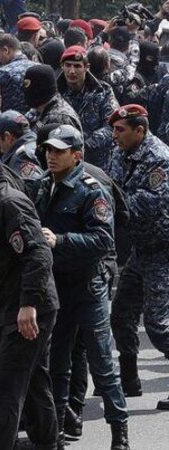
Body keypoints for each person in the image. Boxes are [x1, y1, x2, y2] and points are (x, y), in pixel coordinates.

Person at [33, 125, 130, 449]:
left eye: (59, 151)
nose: (51, 156)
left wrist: (60, 240)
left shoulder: (91, 190)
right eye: (49, 150)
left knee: (102, 364)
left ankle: (119, 434)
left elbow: (103, 240)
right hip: (57, 286)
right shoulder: (43, 185)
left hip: (88, 287)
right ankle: (57, 430)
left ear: (76, 155)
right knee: (57, 363)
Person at [0, 150, 59, 450]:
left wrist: (28, 304)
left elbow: (38, 253)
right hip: (18, 306)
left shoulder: (8, 203)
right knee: (35, 384)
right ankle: (49, 444)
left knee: (3, 392)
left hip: (27, 309)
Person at [107, 105, 169, 411]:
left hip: (162, 249)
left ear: (139, 131)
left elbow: (150, 204)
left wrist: (110, 205)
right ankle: (130, 380)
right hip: (140, 249)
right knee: (121, 314)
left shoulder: (159, 159)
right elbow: (109, 185)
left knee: (159, 325)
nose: (114, 136)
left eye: (120, 130)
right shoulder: (120, 152)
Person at [57, 46, 119, 141]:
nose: (72, 71)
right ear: (62, 66)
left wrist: (87, 145)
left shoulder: (103, 91)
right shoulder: (55, 91)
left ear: (86, 67)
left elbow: (112, 125)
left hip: (93, 147)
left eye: (77, 66)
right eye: (68, 65)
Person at [0, 33, 38, 113]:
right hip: (36, 117)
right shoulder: (39, 67)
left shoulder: (1, 73)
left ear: (5, 50)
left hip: (10, 118)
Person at [23, 64, 83, 134]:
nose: (25, 89)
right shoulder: (38, 110)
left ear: (40, 87)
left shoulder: (59, 117)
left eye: (27, 84)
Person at [0, 110, 42, 180]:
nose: (0, 148)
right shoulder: (36, 143)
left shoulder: (21, 157)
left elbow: (28, 186)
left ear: (7, 137)